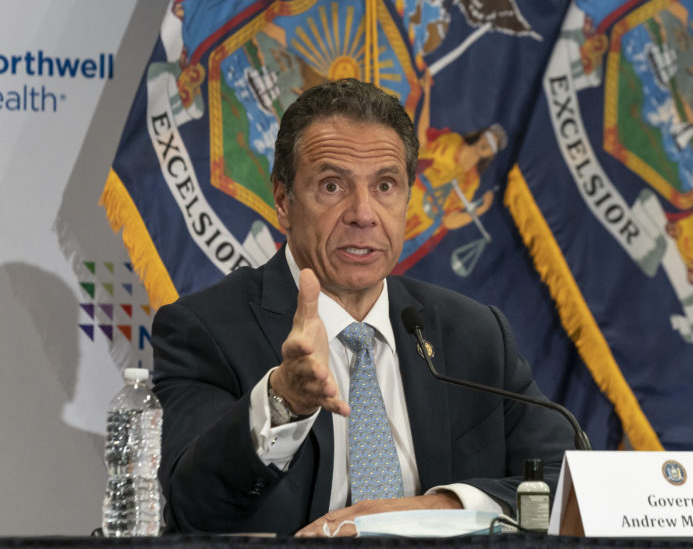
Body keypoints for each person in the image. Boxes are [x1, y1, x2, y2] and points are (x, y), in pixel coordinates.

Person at [151, 78, 574, 536]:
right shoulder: (206, 331)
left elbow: (569, 485)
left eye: (385, 186)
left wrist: (435, 509)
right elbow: (192, 508)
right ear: (282, 201)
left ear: (407, 200)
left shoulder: (473, 334)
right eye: (332, 186)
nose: (363, 213)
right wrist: (283, 401)